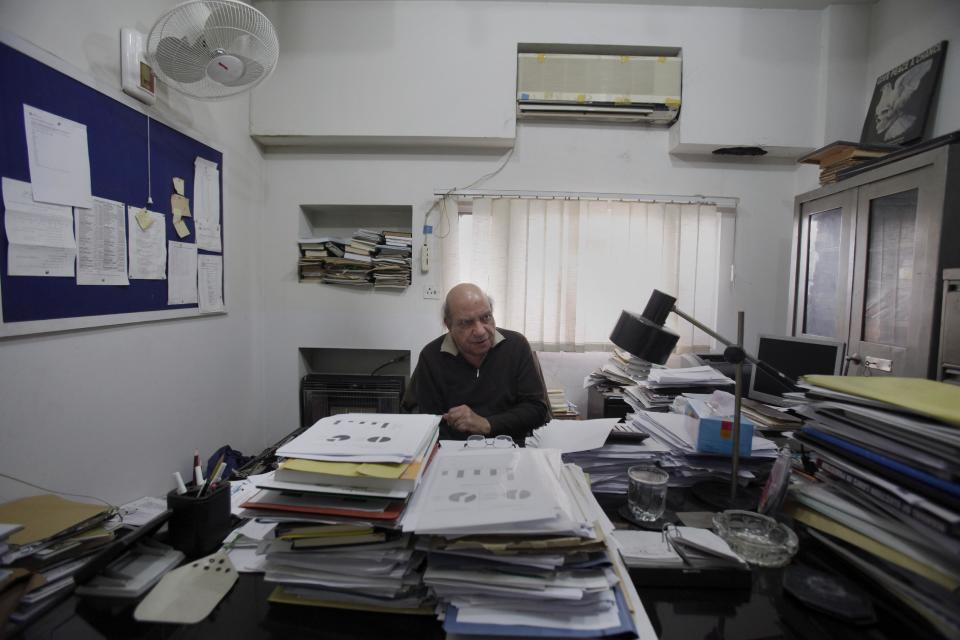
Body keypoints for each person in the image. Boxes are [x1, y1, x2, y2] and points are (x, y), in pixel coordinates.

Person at [403, 283, 550, 442]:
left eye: (486, 317)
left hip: (509, 447)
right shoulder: (431, 356)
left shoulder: (516, 346)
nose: (480, 331)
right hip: (453, 451)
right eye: (466, 323)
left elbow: (537, 410)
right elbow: (430, 423)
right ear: (448, 324)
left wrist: (487, 424)